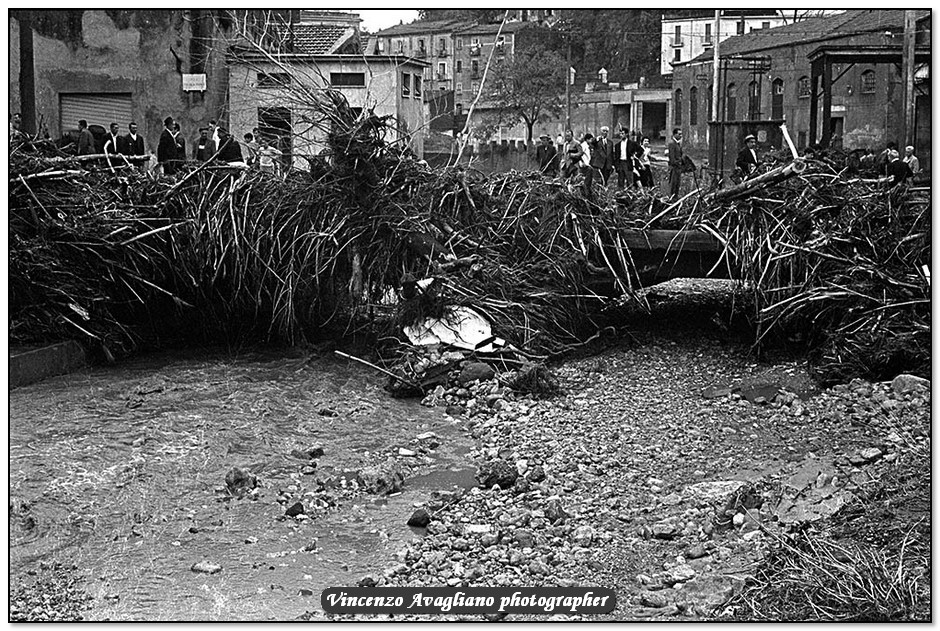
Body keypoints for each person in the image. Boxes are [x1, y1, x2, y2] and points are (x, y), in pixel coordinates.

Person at [666, 127, 684, 199]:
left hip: (678, 168)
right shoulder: (672, 144)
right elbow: (672, 159)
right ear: (674, 135)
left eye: (681, 134)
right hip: (674, 168)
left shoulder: (678, 144)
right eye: (679, 134)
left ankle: (675, 199)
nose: (681, 136)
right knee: (673, 185)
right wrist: (679, 162)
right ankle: (672, 199)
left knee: (677, 185)